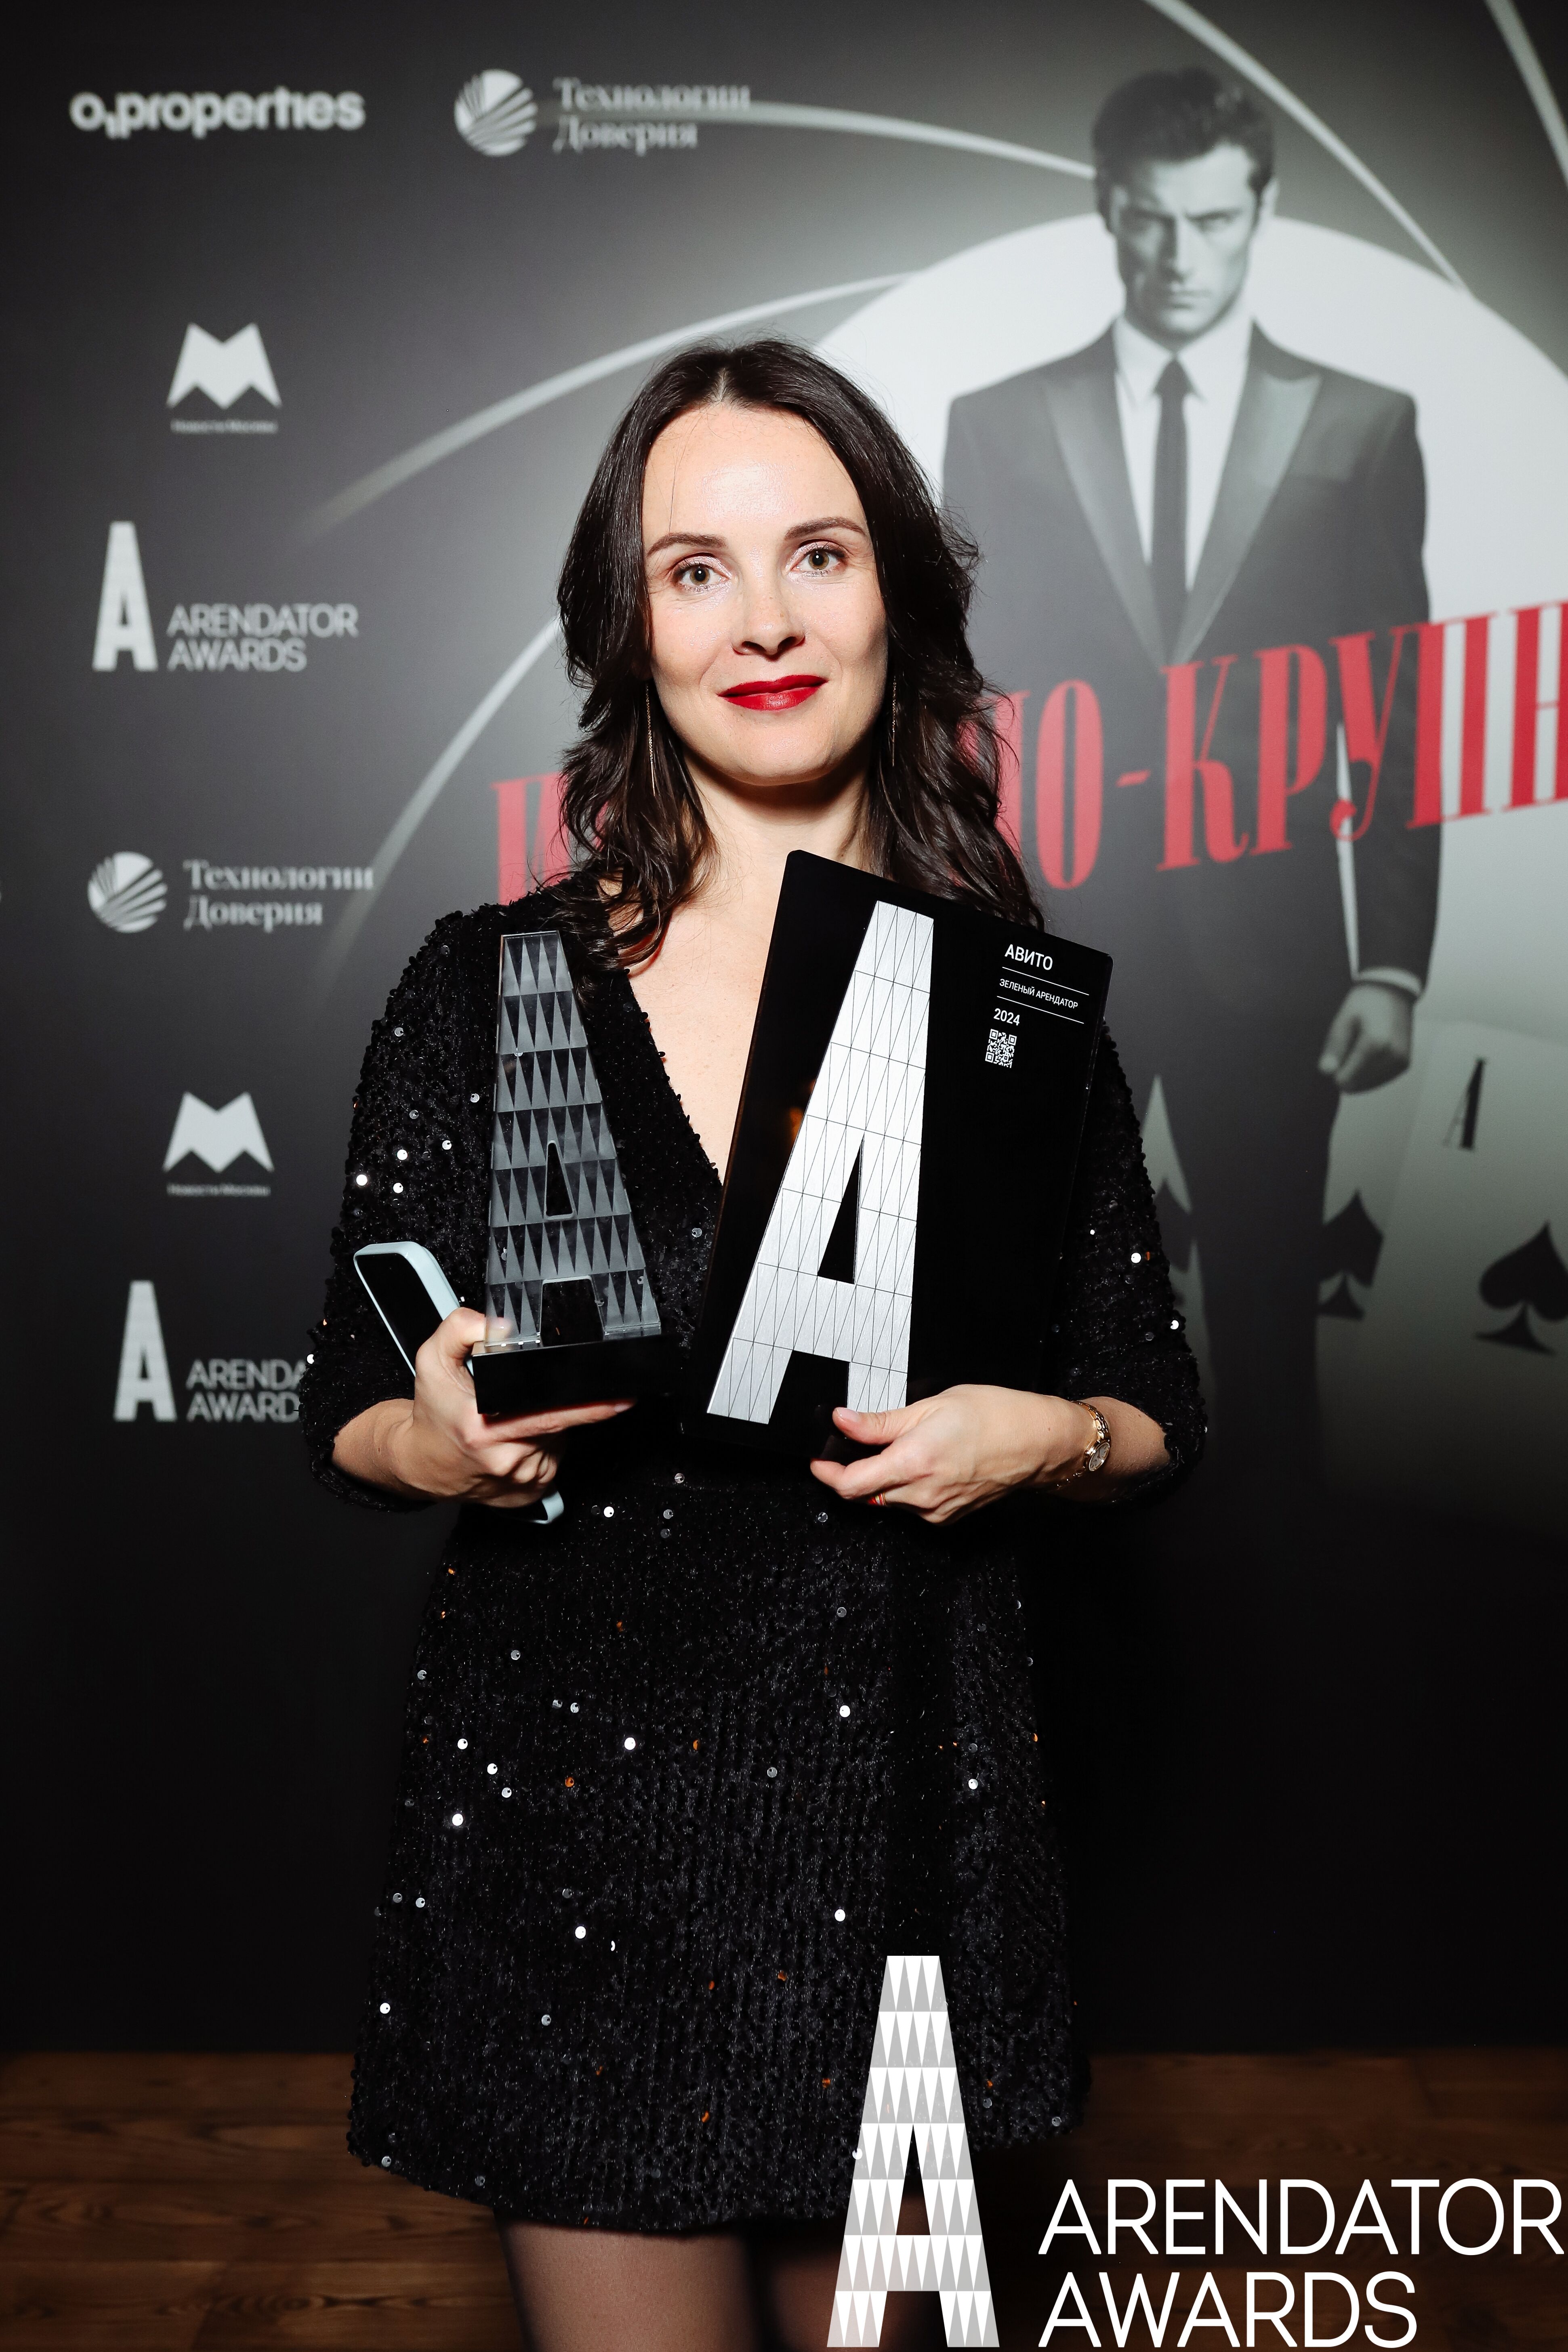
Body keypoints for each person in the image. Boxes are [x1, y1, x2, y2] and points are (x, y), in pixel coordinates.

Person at [300, 338, 1203, 2352]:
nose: (766, 621)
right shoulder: (494, 987)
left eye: (818, 553)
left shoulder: (1003, 1017)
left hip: (907, 1840)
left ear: (898, 596)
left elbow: (1154, 1409)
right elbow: (339, 1401)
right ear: (629, 625)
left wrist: (1041, 1436)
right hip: (578, 1849)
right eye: (695, 570)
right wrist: (433, 1439)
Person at [944, 69, 1440, 1488]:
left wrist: (1391, 965)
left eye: (1212, 222)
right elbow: (957, 703)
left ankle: (1281, 1595)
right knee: (1017, 1313)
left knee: (1272, 1315)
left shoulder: (1359, 426)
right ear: (1109, 209)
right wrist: (959, 928)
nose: (1178, 256)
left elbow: (1389, 713)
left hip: (1272, 955)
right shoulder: (999, 421)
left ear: (1259, 212)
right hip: (1055, 937)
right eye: (1152, 221)